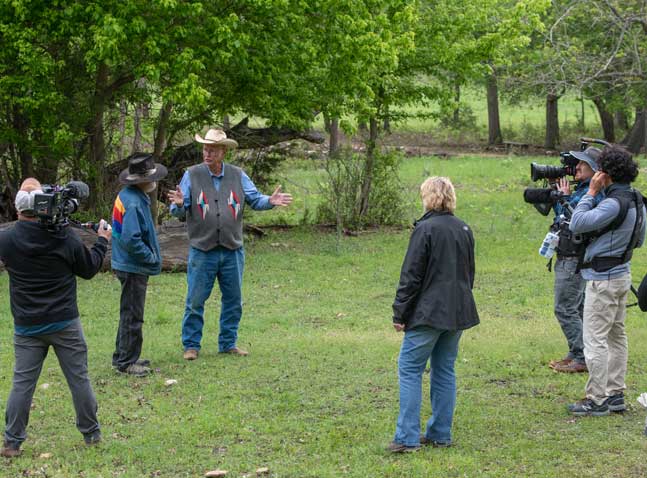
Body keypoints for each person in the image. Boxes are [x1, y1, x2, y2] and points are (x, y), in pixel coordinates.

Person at [0, 178, 111, 458]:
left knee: (22, 383)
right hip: (64, 323)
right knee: (79, 379)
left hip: (27, 325)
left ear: (17, 211)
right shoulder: (62, 237)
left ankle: (12, 443)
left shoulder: (7, 239)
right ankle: (91, 435)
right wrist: (102, 241)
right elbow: (88, 269)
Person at [167, 128, 292, 360]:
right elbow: (178, 209)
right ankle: (191, 345)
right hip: (202, 250)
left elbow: (255, 199)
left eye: (213, 149)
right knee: (195, 300)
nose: (207, 153)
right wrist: (178, 205)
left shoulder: (237, 175)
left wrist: (271, 201)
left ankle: (228, 343)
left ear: (223, 151)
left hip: (232, 249)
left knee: (233, 299)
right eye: (205, 148)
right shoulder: (191, 175)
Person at [388, 177, 479, 453]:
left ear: (428, 197)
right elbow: (469, 273)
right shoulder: (464, 228)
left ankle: (407, 437)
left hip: (428, 313)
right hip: (457, 310)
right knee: (444, 370)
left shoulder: (424, 229)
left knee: (410, 368)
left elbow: (411, 275)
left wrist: (399, 312)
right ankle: (440, 432)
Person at [567, 145, 646, 416]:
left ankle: (596, 398)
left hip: (603, 278)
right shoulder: (636, 199)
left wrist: (590, 193)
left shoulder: (612, 202)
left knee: (595, 339)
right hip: (623, 273)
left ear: (606, 173)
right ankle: (615, 393)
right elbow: (640, 239)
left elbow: (577, 222)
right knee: (616, 336)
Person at [111, 152, 168, 376]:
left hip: (125, 263)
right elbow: (131, 238)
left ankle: (122, 356)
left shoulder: (128, 195)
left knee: (128, 311)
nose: (155, 182)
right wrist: (150, 257)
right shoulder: (133, 202)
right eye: (152, 178)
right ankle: (127, 362)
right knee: (133, 314)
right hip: (132, 265)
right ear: (142, 180)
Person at [549, 147, 604, 373]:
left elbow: (576, 221)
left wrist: (563, 198)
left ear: (595, 170)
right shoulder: (581, 189)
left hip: (575, 256)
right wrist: (556, 194)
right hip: (569, 253)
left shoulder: (594, 193)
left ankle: (582, 356)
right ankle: (577, 352)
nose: (576, 167)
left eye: (583, 164)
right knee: (578, 307)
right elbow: (562, 216)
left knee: (564, 308)